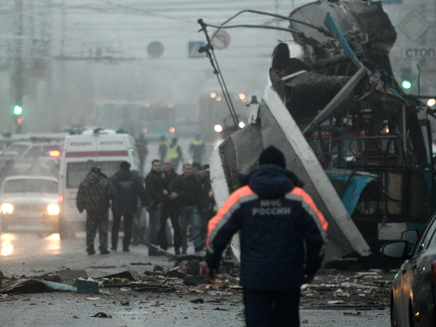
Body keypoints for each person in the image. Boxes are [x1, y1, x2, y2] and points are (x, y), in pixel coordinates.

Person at [204, 146, 328, 327]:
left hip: (255, 278)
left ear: (259, 166)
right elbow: (319, 236)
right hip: (289, 277)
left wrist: (211, 262)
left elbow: (218, 231)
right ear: (284, 169)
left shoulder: (242, 197)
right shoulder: (299, 198)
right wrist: (311, 269)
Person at [76, 166, 116, 255]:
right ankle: (103, 247)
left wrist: (80, 208)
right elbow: (112, 194)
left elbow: (80, 197)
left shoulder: (84, 182)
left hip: (90, 210)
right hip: (103, 209)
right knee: (103, 229)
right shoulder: (105, 181)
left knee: (90, 229)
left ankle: (90, 248)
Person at [110, 161, 147, 252]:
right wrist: (145, 203)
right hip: (130, 206)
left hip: (116, 206)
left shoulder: (113, 178)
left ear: (120, 167)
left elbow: (108, 191)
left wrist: (110, 200)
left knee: (115, 226)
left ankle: (114, 246)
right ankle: (125, 246)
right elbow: (141, 192)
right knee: (128, 227)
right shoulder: (135, 178)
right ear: (129, 167)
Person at [175, 163, 204, 254]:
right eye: (187, 169)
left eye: (190, 169)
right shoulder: (179, 180)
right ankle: (184, 248)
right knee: (183, 229)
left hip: (194, 206)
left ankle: (197, 247)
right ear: (183, 170)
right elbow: (175, 191)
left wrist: (201, 205)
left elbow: (200, 193)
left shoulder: (196, 179)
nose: (189, 171)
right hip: (183, 207)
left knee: (196, 227)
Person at [158, 159, 182, 255]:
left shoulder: (177, 177)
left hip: (174, 204)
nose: (166, 166)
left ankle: (177, 247)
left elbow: (183, 190)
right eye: (165, 164)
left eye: (168, 164)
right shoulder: (160, 176)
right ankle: (163, 246)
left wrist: (177, 194)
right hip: (164, 204)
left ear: (172, 166)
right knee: (162, 226)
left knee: (176, 226)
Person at [145, 159, 167, 256]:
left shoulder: (159, 176)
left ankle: (154, 248)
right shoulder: (150, 176)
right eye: (156, 165)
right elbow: (151, 191)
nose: (158, 167)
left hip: (158, 204)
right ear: (152, 166)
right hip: (155, 205)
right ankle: (152, 249)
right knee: (154, 228)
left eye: (159, 165)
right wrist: (159, 201)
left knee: (155, 227)